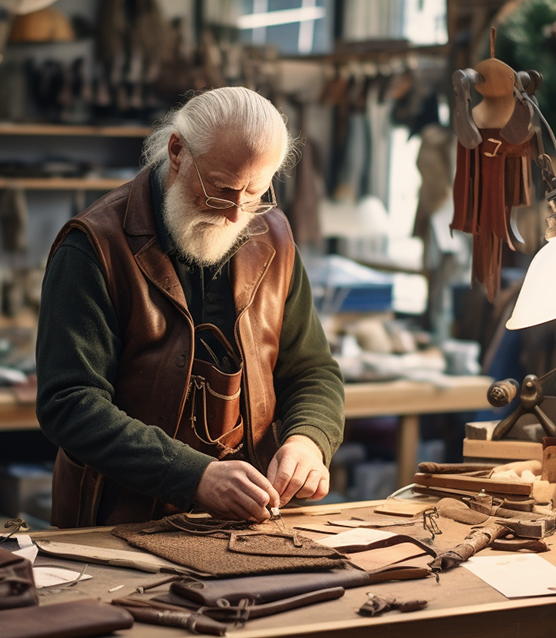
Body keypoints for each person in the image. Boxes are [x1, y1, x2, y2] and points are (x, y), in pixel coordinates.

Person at [36, 87, 345, 527]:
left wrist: (308, 441)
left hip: (248, 518)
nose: (237, 215)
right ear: (177, 152)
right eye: (222, 189)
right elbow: (69, 403)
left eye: (256, 193)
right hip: (117, 519)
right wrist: (194, 475)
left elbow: (313, 371)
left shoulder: (273, 239)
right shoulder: (93, 247)